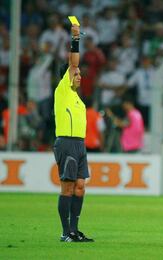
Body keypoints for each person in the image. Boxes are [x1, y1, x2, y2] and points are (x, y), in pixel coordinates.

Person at [53, 23, 94, 242]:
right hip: (66, 143)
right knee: (67, 187)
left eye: (79, 74)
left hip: (79, 144)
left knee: (80, 187)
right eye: (76, 73)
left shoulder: (77, 99)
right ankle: (64, 231)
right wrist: (75, 38)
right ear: (67, 76)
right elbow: (73, 62)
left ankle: (75, 230)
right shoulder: (63, 90)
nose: (79, 75)